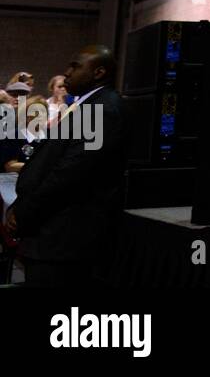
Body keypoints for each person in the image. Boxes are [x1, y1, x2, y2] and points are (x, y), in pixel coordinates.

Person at [2, 45, 126, 287]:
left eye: (75, 66)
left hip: (64, 238)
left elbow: (70, 174)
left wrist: (24, 212)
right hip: (53, 234)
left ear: (98, 72)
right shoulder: (89, 106)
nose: (67, 73)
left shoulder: (100, 110)